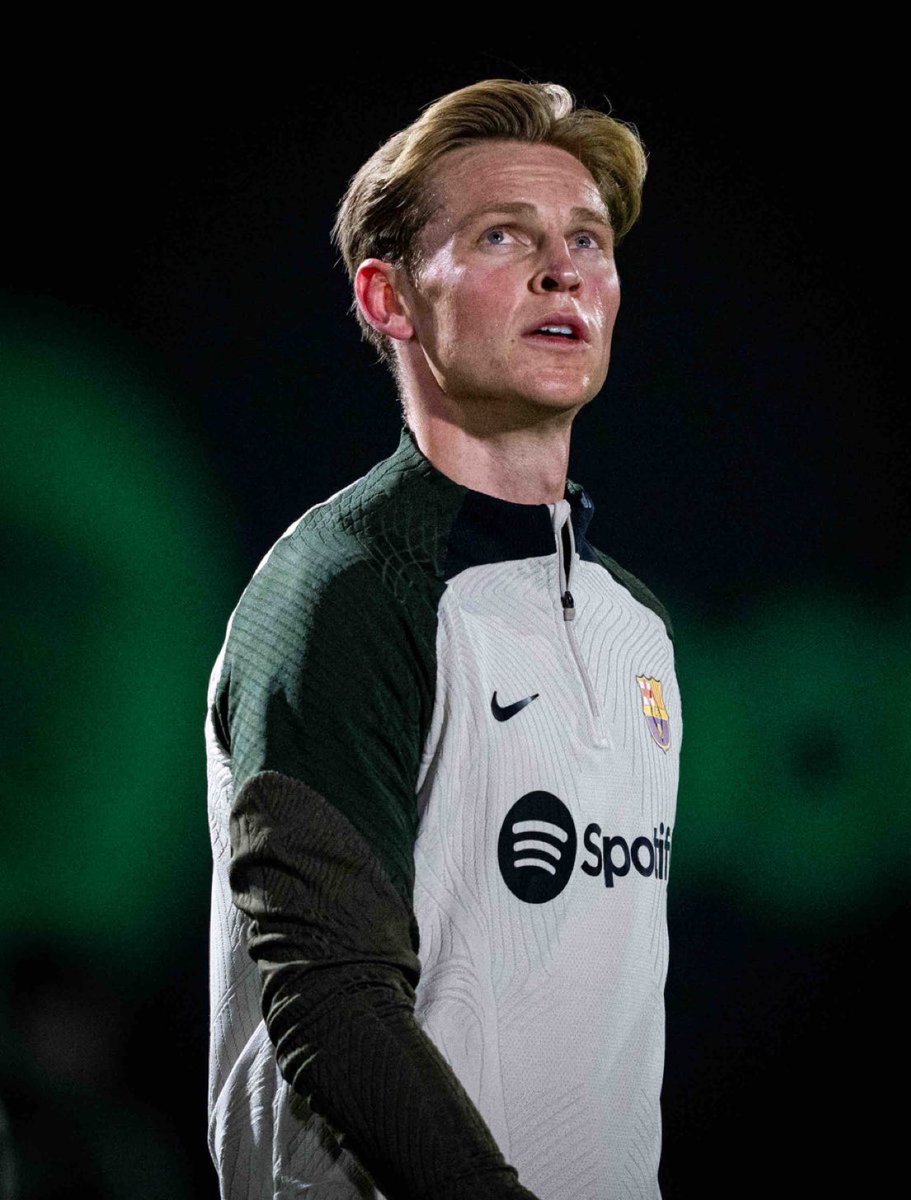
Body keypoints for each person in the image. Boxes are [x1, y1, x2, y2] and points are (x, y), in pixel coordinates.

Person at [205, 78, 682, 1200]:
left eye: (587, 240)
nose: (564, 271)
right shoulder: (341, 591)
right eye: (503, 235)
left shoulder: (639, 629)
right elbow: (331, 998)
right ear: (389, 299)